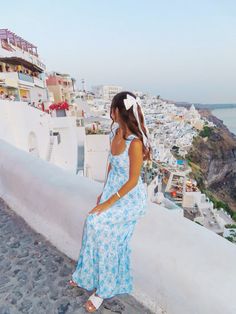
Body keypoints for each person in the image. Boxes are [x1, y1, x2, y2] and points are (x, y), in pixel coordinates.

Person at [69, 91, 152, 312]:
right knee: (91, 222)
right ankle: (85, 275)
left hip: (130, 197)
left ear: (118, 111)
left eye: (112, 108)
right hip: (113, 189)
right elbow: (110, 164)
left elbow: (133, 180)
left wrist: (108, 203)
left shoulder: (135, 143)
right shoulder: (114, 132)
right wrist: (103, 193)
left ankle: (103, 290)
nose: (110, 112)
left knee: (100, 226)